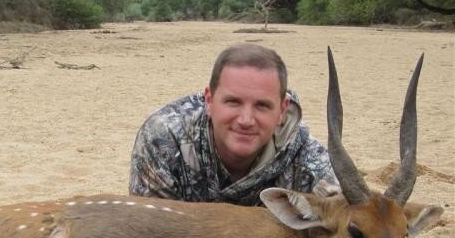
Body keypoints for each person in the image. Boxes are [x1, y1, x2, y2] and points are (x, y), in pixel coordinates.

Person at [129, 43, 338, 205]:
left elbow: (344, 222)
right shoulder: (163, 138)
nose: (246, 120)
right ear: (209, 101)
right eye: (233, 102)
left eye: (262, 106)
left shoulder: (312, 162)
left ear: (282, 110)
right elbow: (150, 233)